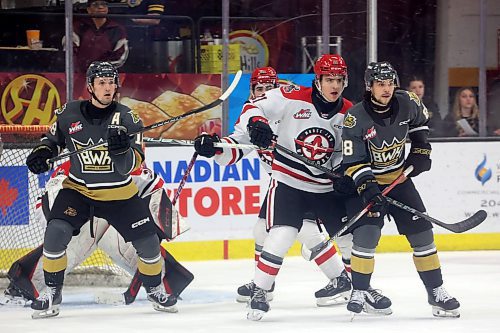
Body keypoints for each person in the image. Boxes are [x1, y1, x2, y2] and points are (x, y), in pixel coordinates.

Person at [24, 61, 176, 319]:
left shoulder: (128, 118)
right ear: (90, 87)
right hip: (79, 191)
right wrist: (42, 152)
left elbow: (133, 165)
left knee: (149, 245)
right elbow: (51, 142)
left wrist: (121, 151)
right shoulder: (68, 113)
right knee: (55, 233)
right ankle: (52, 292)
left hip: (120, 193)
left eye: (111, 82)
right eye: (102, 83)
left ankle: (154, 289)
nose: (108, 88)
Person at [194, 66, 354, 307]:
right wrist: (213, 147)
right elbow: (236, 147)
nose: (264, 93)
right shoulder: (254, 117)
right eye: (259, 88)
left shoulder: (289, 107)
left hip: (317, 182)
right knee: (262, 230)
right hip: (285, 182)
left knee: (306, 231)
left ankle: (342, 279)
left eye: (269, 88)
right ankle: (265, 286)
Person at [341, 61, 460, 318]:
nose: (386, 89)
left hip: (399, 179)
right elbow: (353, 162)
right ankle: (359, 291)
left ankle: (436, 291)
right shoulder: (356, 118)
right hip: (367, 183)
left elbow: (419, 127)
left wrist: (420, 150)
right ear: (369, 86)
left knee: (422, 234)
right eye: (380, 84)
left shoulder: (409, 101)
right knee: (367, 235)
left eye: (390, 83)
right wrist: (368, 189)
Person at [0, 160, 193, 307]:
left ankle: (164, 284)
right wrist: (67, 229)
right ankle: (28, 287)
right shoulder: (71, 168)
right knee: (81, 237)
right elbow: (51, 208)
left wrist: (162, 222)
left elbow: (154, 190)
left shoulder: (126, 164)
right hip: (73, 220)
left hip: (112, 216)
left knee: (136, 237)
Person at [63, 0, 129, 73]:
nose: (100, 7)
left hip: (106, 76)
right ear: (88, 9)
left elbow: (120, 57)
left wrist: (100, 70)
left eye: (103, 4)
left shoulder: (117, 29)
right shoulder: (78, 26)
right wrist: (77, 70)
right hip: (78, 75)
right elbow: (69, 51)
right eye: (95, 5)